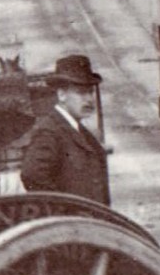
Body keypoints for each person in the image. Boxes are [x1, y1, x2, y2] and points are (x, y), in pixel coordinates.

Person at [20, 54, 111, 206]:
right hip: (72, 226)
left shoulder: (79, 131)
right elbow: (31, 176)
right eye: (80, 93)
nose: (89, 99)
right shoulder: (49, 131)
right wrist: (64, 212)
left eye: (90, 92)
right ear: (62, 95)